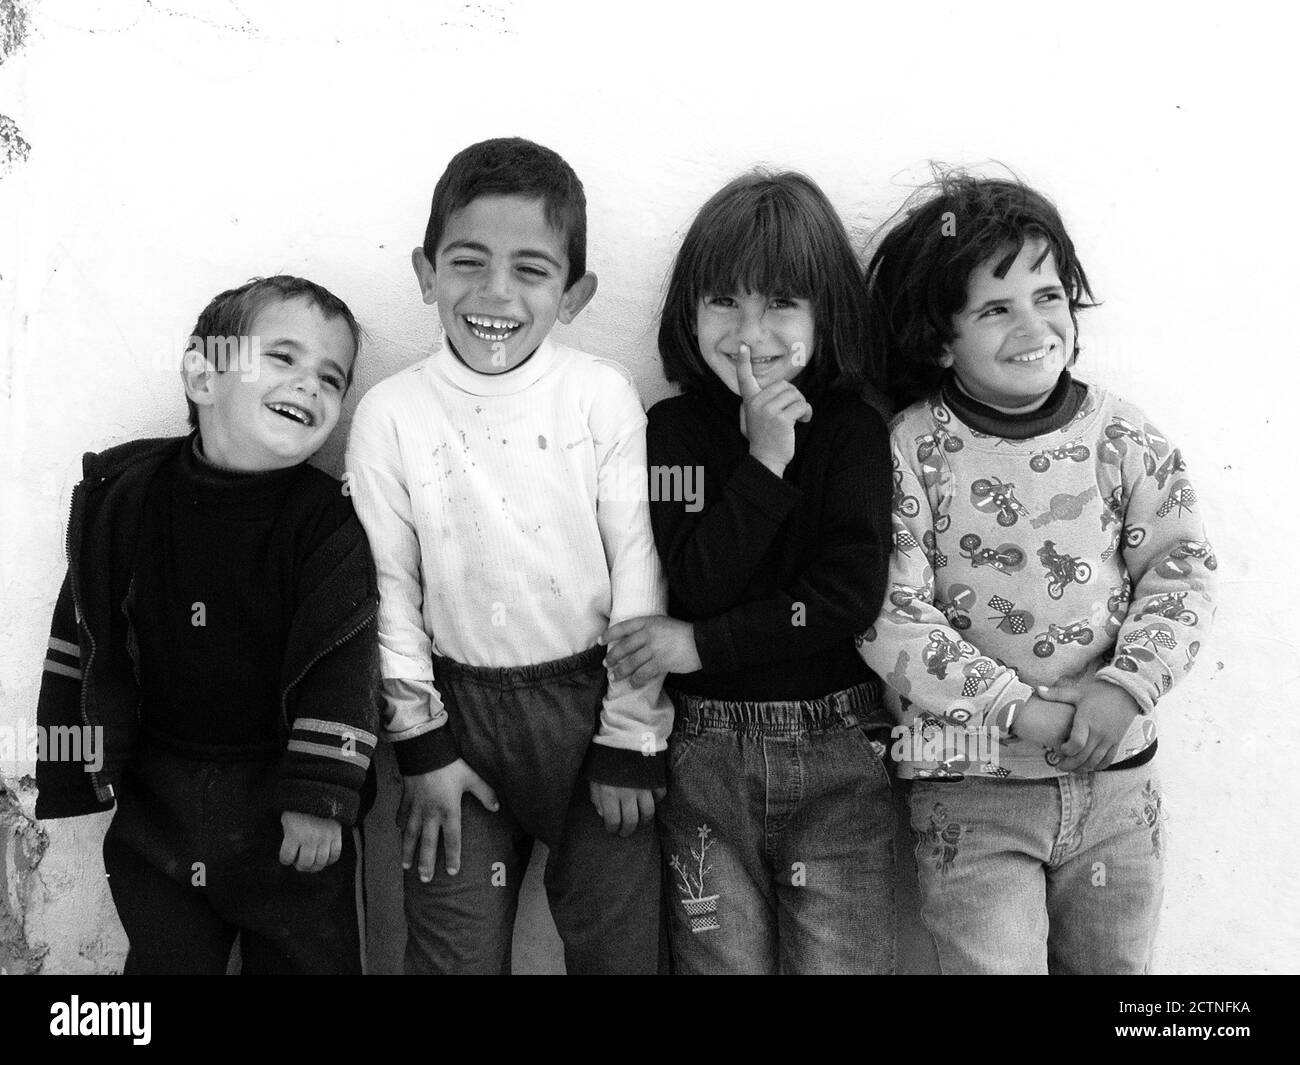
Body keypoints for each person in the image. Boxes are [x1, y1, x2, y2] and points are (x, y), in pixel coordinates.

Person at [858, 172, 1217, 973]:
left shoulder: (1124, 436)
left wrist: (1122, 686)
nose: (1033, 326)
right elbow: (889, 610)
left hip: (1118, 785)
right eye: (995, 308)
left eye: (1048, 296)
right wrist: (1013, 709)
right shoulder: (910, 451)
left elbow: (1181, 570)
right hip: (971, 790)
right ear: (939, 338)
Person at [345, 137, 671, 974]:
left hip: (594, 707)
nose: (495, 292)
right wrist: (421, 744)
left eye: (531, 269)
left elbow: (638, 562)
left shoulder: (600, 394)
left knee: (620, 950)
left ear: (575, 293)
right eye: (467, 262)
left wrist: (628, 735)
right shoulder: (391, 413)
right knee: (452, 952)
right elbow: (388, 588)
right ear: (426, 273)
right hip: (458, 720)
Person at [35, 275, 379, 974]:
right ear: (201, 371)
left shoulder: (326, 524)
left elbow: (343, 665)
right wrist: (74, 764)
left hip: (283, 798)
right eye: (282, 358)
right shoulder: (126, 500)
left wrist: (320, 795)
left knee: (306, 959)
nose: (308, 385)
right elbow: (83, 628)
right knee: (164, 962)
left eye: (331, 377)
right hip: (158, 794)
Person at [603, 170, 896, 974]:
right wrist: (764, 463)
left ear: (825, 312)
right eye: (724, 301)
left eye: (780, 303)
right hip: (704, 761)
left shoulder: (853, 432)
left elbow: (847, 595)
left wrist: (704, 645)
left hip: (838, 746)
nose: (750, 331)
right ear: (688, 311)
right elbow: (695, 579)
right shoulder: (671, 432)